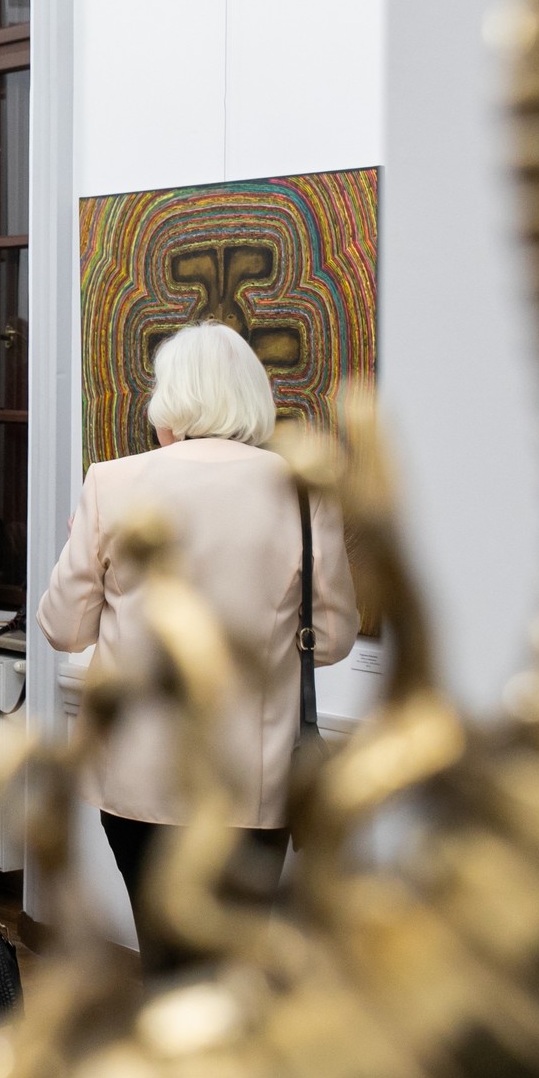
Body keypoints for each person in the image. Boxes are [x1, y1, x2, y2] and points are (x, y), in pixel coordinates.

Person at [37, 321, 358, 976]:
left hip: (139, 778)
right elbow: (332, 637)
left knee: (164, 960)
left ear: (171, 399)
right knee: (234, 964)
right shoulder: (303, 493)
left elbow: (64, 628)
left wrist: (80, 546)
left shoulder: (112, 483)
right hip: (254, 782)